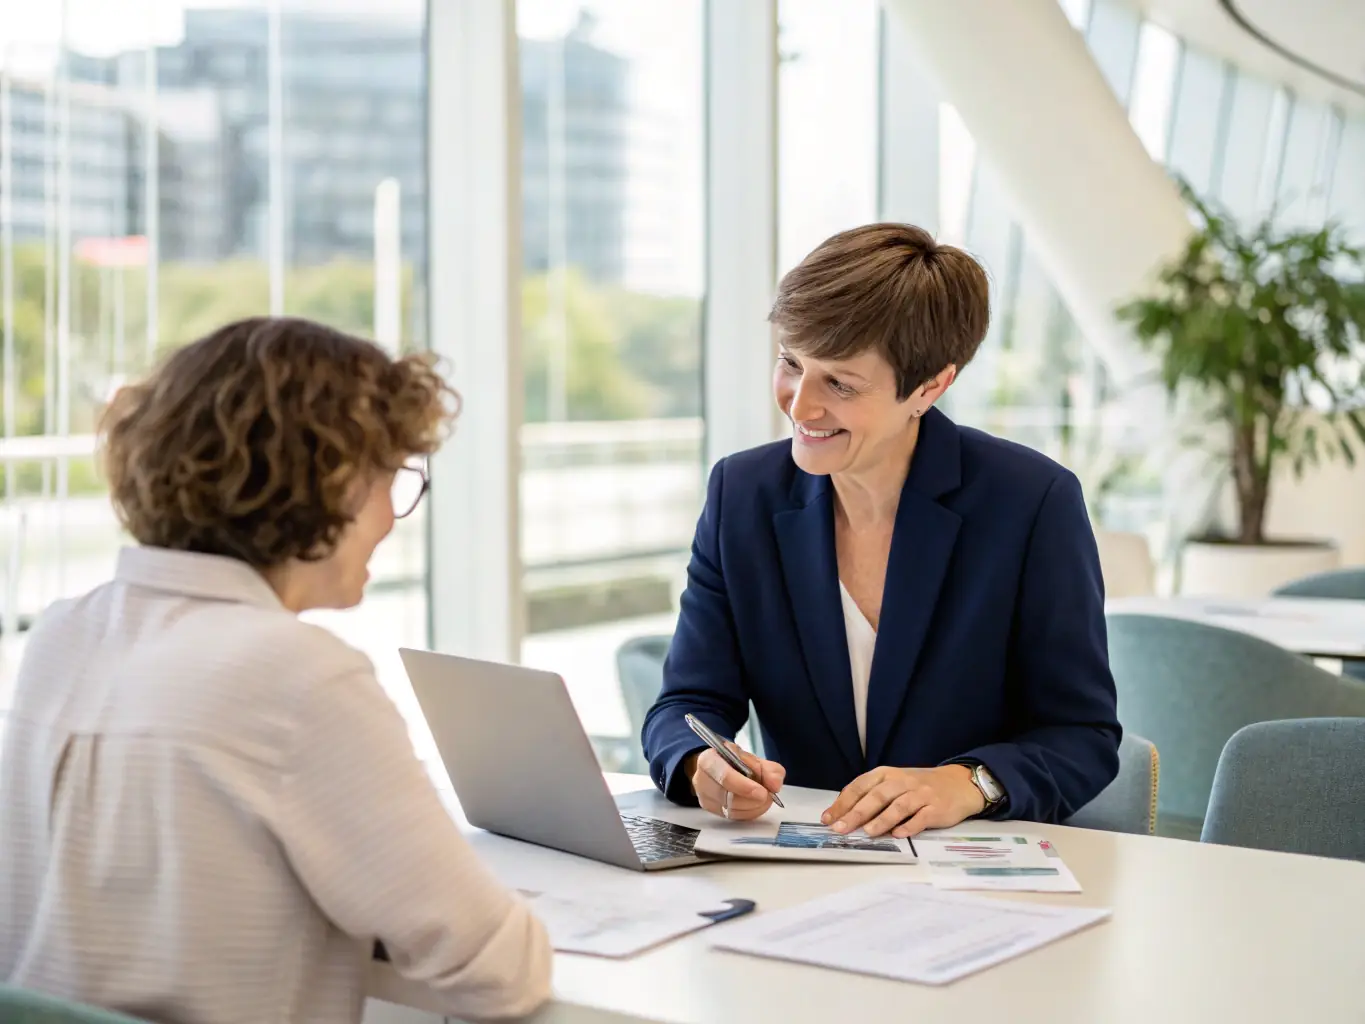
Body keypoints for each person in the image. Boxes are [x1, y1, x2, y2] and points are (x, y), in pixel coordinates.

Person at [0, 318, 551, 1023]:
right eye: (393, 478)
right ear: (334, 477)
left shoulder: (64, 634)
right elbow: (499, 971)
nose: (393, 514)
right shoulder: (296, 676)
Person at [643, 224, 1121, 838]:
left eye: (839, 383)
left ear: (931, 386)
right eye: (791, 363)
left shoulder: (1032, 502)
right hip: (799, 871)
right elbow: (684, 705)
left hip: (968, 876)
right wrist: (698, 765)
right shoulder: (743, 495)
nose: (799, 405)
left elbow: (1083, 737)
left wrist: (967, 782)